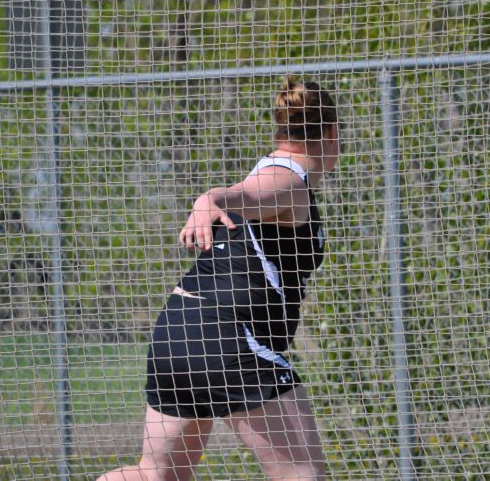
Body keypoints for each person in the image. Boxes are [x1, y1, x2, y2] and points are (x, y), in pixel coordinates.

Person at [99, 78, 340, 481]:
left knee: (155, 475)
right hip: (227, 339)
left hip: (176, 334)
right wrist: (210, 199)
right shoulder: (289, 179)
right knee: (300, 475)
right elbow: (249, 194)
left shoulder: (282, 174)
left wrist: (217, 199)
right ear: (332, 132)